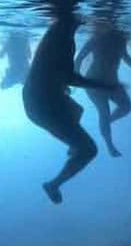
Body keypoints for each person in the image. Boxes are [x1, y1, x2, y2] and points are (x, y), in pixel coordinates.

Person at [23, 14, 118, 204]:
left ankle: (73, 144)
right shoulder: (63, 37)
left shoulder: (58, 34)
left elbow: (54, 71)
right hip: (44, 105)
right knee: (89, 150)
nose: (83, 21)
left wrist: (57, 83)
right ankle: (54, 184)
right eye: (78, 18)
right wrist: (105, 86)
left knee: (77, 110)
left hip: (41, 100)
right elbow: (70, 77)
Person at [74, 24, 131, 156]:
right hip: (94, 83)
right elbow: (79, 58)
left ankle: (107, 122)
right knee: (104, 112)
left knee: (126, 107)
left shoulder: (120, 39)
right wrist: (77, 78)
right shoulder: (96, 39)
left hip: (112, 82)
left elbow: (125, 56)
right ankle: (110, 146)